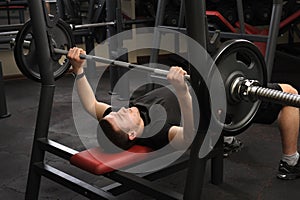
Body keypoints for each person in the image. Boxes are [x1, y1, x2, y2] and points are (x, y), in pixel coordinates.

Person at [68, 47, 300, 180]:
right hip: (223, 101)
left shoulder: (120, 121)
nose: (121, 110)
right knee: (290, 95)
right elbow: (190, 136)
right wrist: (182, 93)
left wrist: (78, 70)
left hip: (204, 85)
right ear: (131, 135)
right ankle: (290, 162)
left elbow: (90, 105)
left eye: (115, 112)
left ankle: (225, 139)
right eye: (121, 116)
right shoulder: (158, 132)